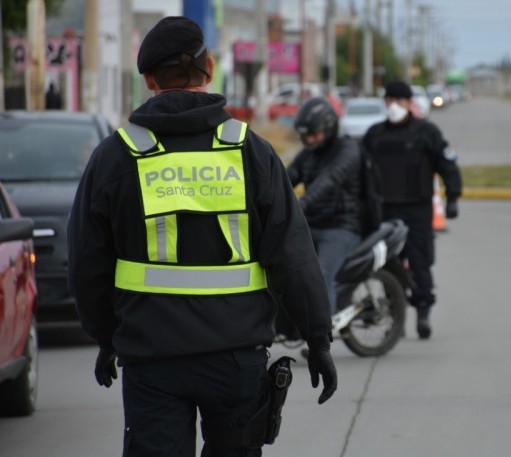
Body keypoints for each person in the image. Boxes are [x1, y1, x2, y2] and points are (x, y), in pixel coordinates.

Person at [67, 16, 336, 457]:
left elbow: (86, 265)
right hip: (236, 358)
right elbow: (293, 255)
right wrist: (318, 338)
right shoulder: (251, 151)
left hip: (151, 359)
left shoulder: (116, 156)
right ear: (208, 69)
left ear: (149, 79)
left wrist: (106, 336)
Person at [361, 80, 462, 340]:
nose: (394, 105)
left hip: (416, 209)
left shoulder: (426, 132)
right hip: (384, 209)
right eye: (390, 100)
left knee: (419, 262)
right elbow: (359, 171)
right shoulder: (374, 135)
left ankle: (424, 311)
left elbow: (447, 164)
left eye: (400, 100)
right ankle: (395, 314)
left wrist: (453, 197)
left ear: (410, 103)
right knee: (386, 262)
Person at [287, 97, 363, 316]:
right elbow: (285, 179)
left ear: (329, 128)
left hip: (342, 227)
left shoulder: (348, 151)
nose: (309, 139)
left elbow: (328, 181)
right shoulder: (308, 154)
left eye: (314, 134)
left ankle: (322, 338)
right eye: (305, 135)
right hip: (312, 224)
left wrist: (302, 203)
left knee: (320, 273)